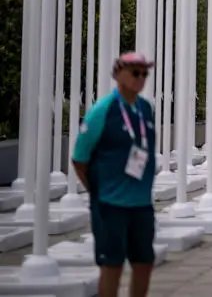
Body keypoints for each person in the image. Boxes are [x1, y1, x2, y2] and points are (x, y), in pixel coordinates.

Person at [72, 52, 158, 297]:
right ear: (118, 74)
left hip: (141, 203)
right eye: (135, 73)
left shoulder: (145, 109)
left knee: (144, 261)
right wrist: (97, 189)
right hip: (111, 204)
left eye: (144, 73)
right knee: (112, 264)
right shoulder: (103, 110)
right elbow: (80, 158)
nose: (141, 78)